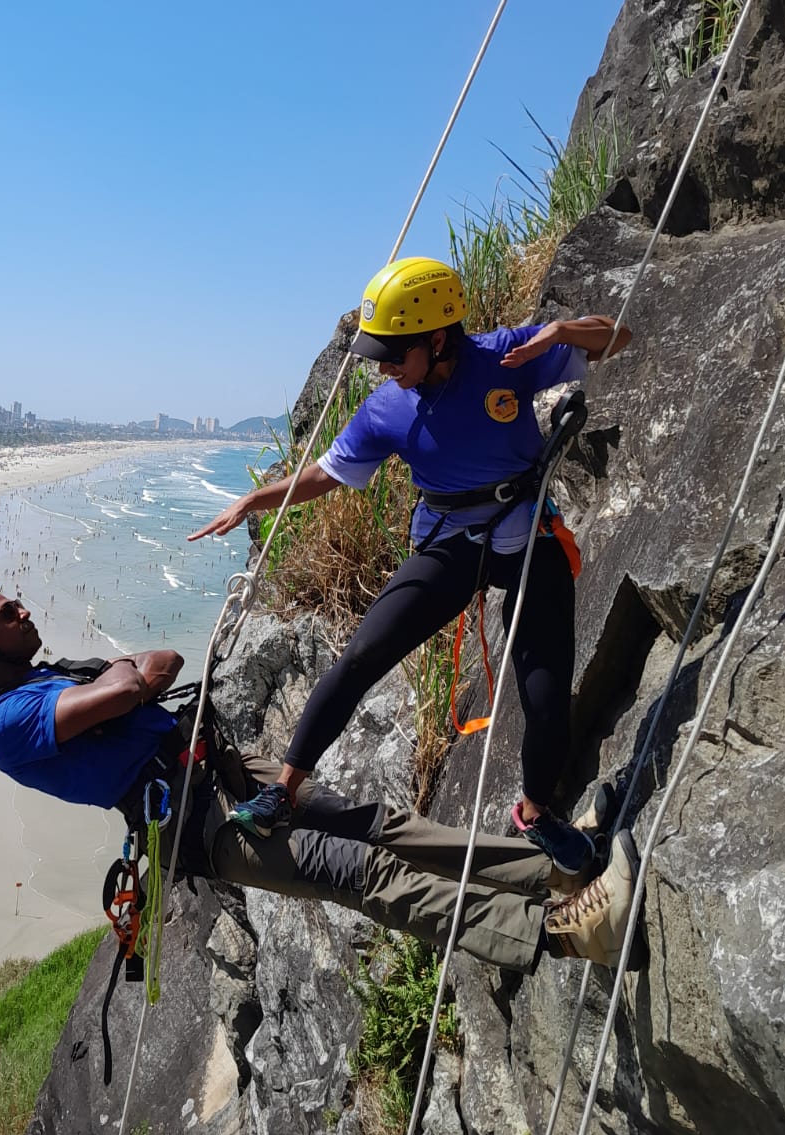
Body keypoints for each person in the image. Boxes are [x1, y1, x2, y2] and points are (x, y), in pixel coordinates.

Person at [0, 582, 639, 973]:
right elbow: (123, 689)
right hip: (200, 823)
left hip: (226, 770)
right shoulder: (5, 722)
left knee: (376, 825)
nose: (19, 607)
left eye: (9, 600)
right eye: (0, 613)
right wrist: (127, 680)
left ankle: (547, 871)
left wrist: (131, 681)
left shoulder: (45, 677)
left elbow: (161, 661)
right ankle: (558, 934)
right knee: (360, 871)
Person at [189, 257, 632, 875]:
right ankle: (283, 791)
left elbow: (619, 337)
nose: (384, 367)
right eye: (378, 355)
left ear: (439, 338)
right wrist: (253, 500)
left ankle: (533, 815)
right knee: (364, 653)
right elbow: (325, 474)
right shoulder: (387, 408)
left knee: (546, 692)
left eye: (394, 353)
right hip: (451, 542)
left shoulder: (508, 356)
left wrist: (561, 333)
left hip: (527, 533)